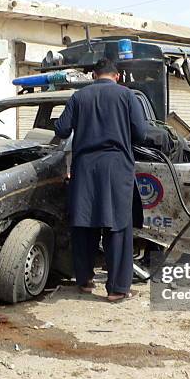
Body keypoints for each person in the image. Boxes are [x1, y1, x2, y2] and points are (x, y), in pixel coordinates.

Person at [54, 58, 147, 302]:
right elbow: (141, 133)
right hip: (117, 167)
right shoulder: (127, 96)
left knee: (84, 223)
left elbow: (62, 129)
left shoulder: (78, 97)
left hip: (84, 168)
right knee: (118, 225)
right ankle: (116, 289)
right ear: (116, 76)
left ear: (94, 75)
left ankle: (84, 280)